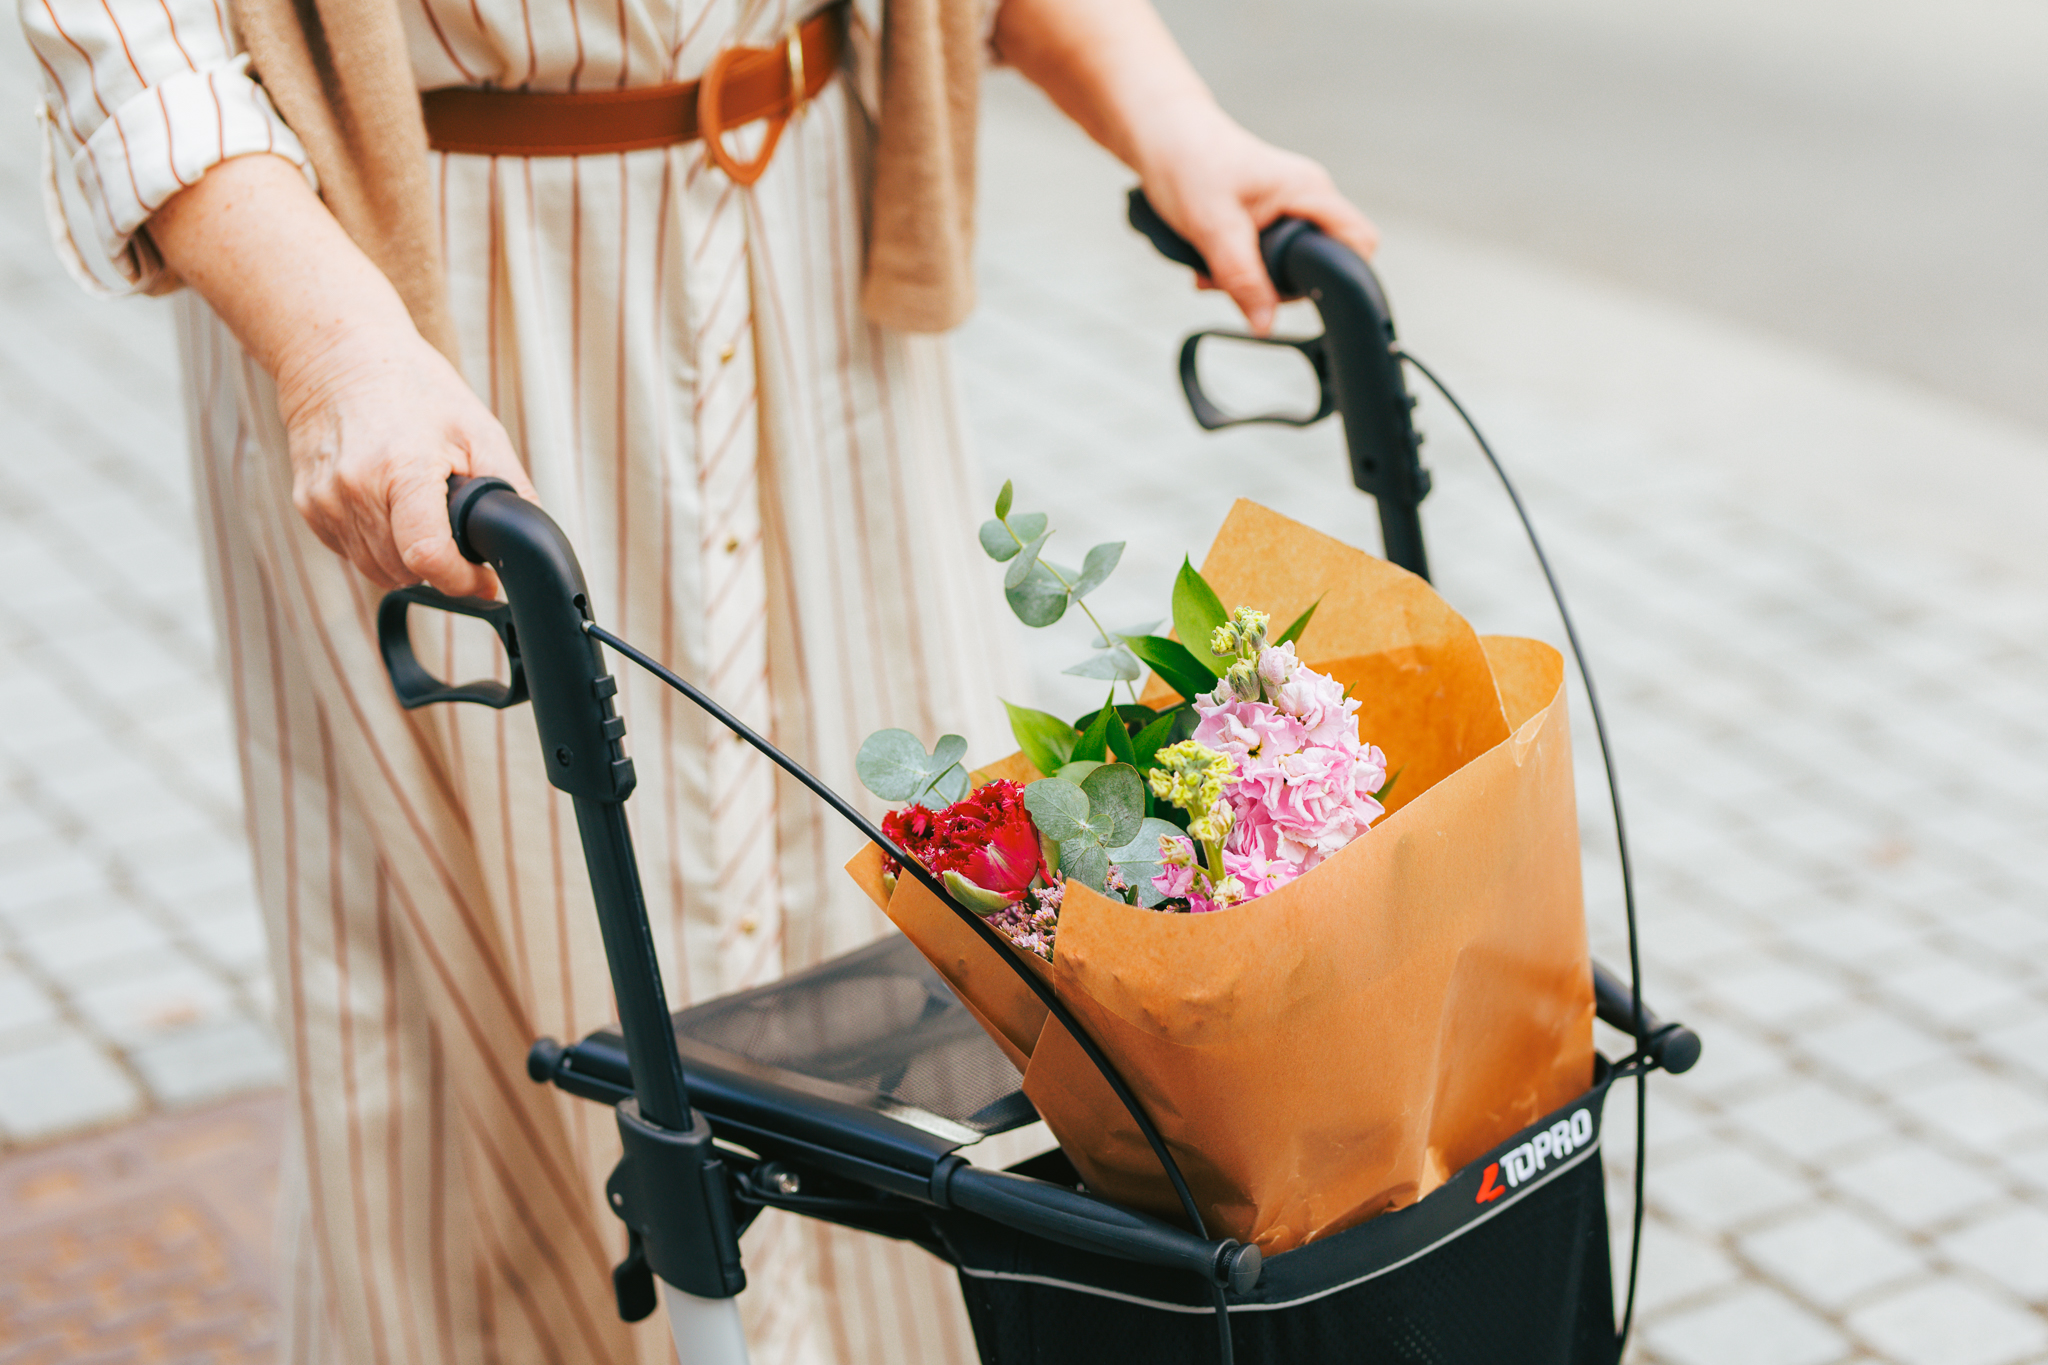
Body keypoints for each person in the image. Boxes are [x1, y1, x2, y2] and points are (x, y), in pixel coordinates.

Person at [21, 0, 1377, 1358]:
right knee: (481, 1057)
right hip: (416, 314)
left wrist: (1173, 121)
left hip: (816, 270)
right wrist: (332, 348)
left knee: (929, 967)